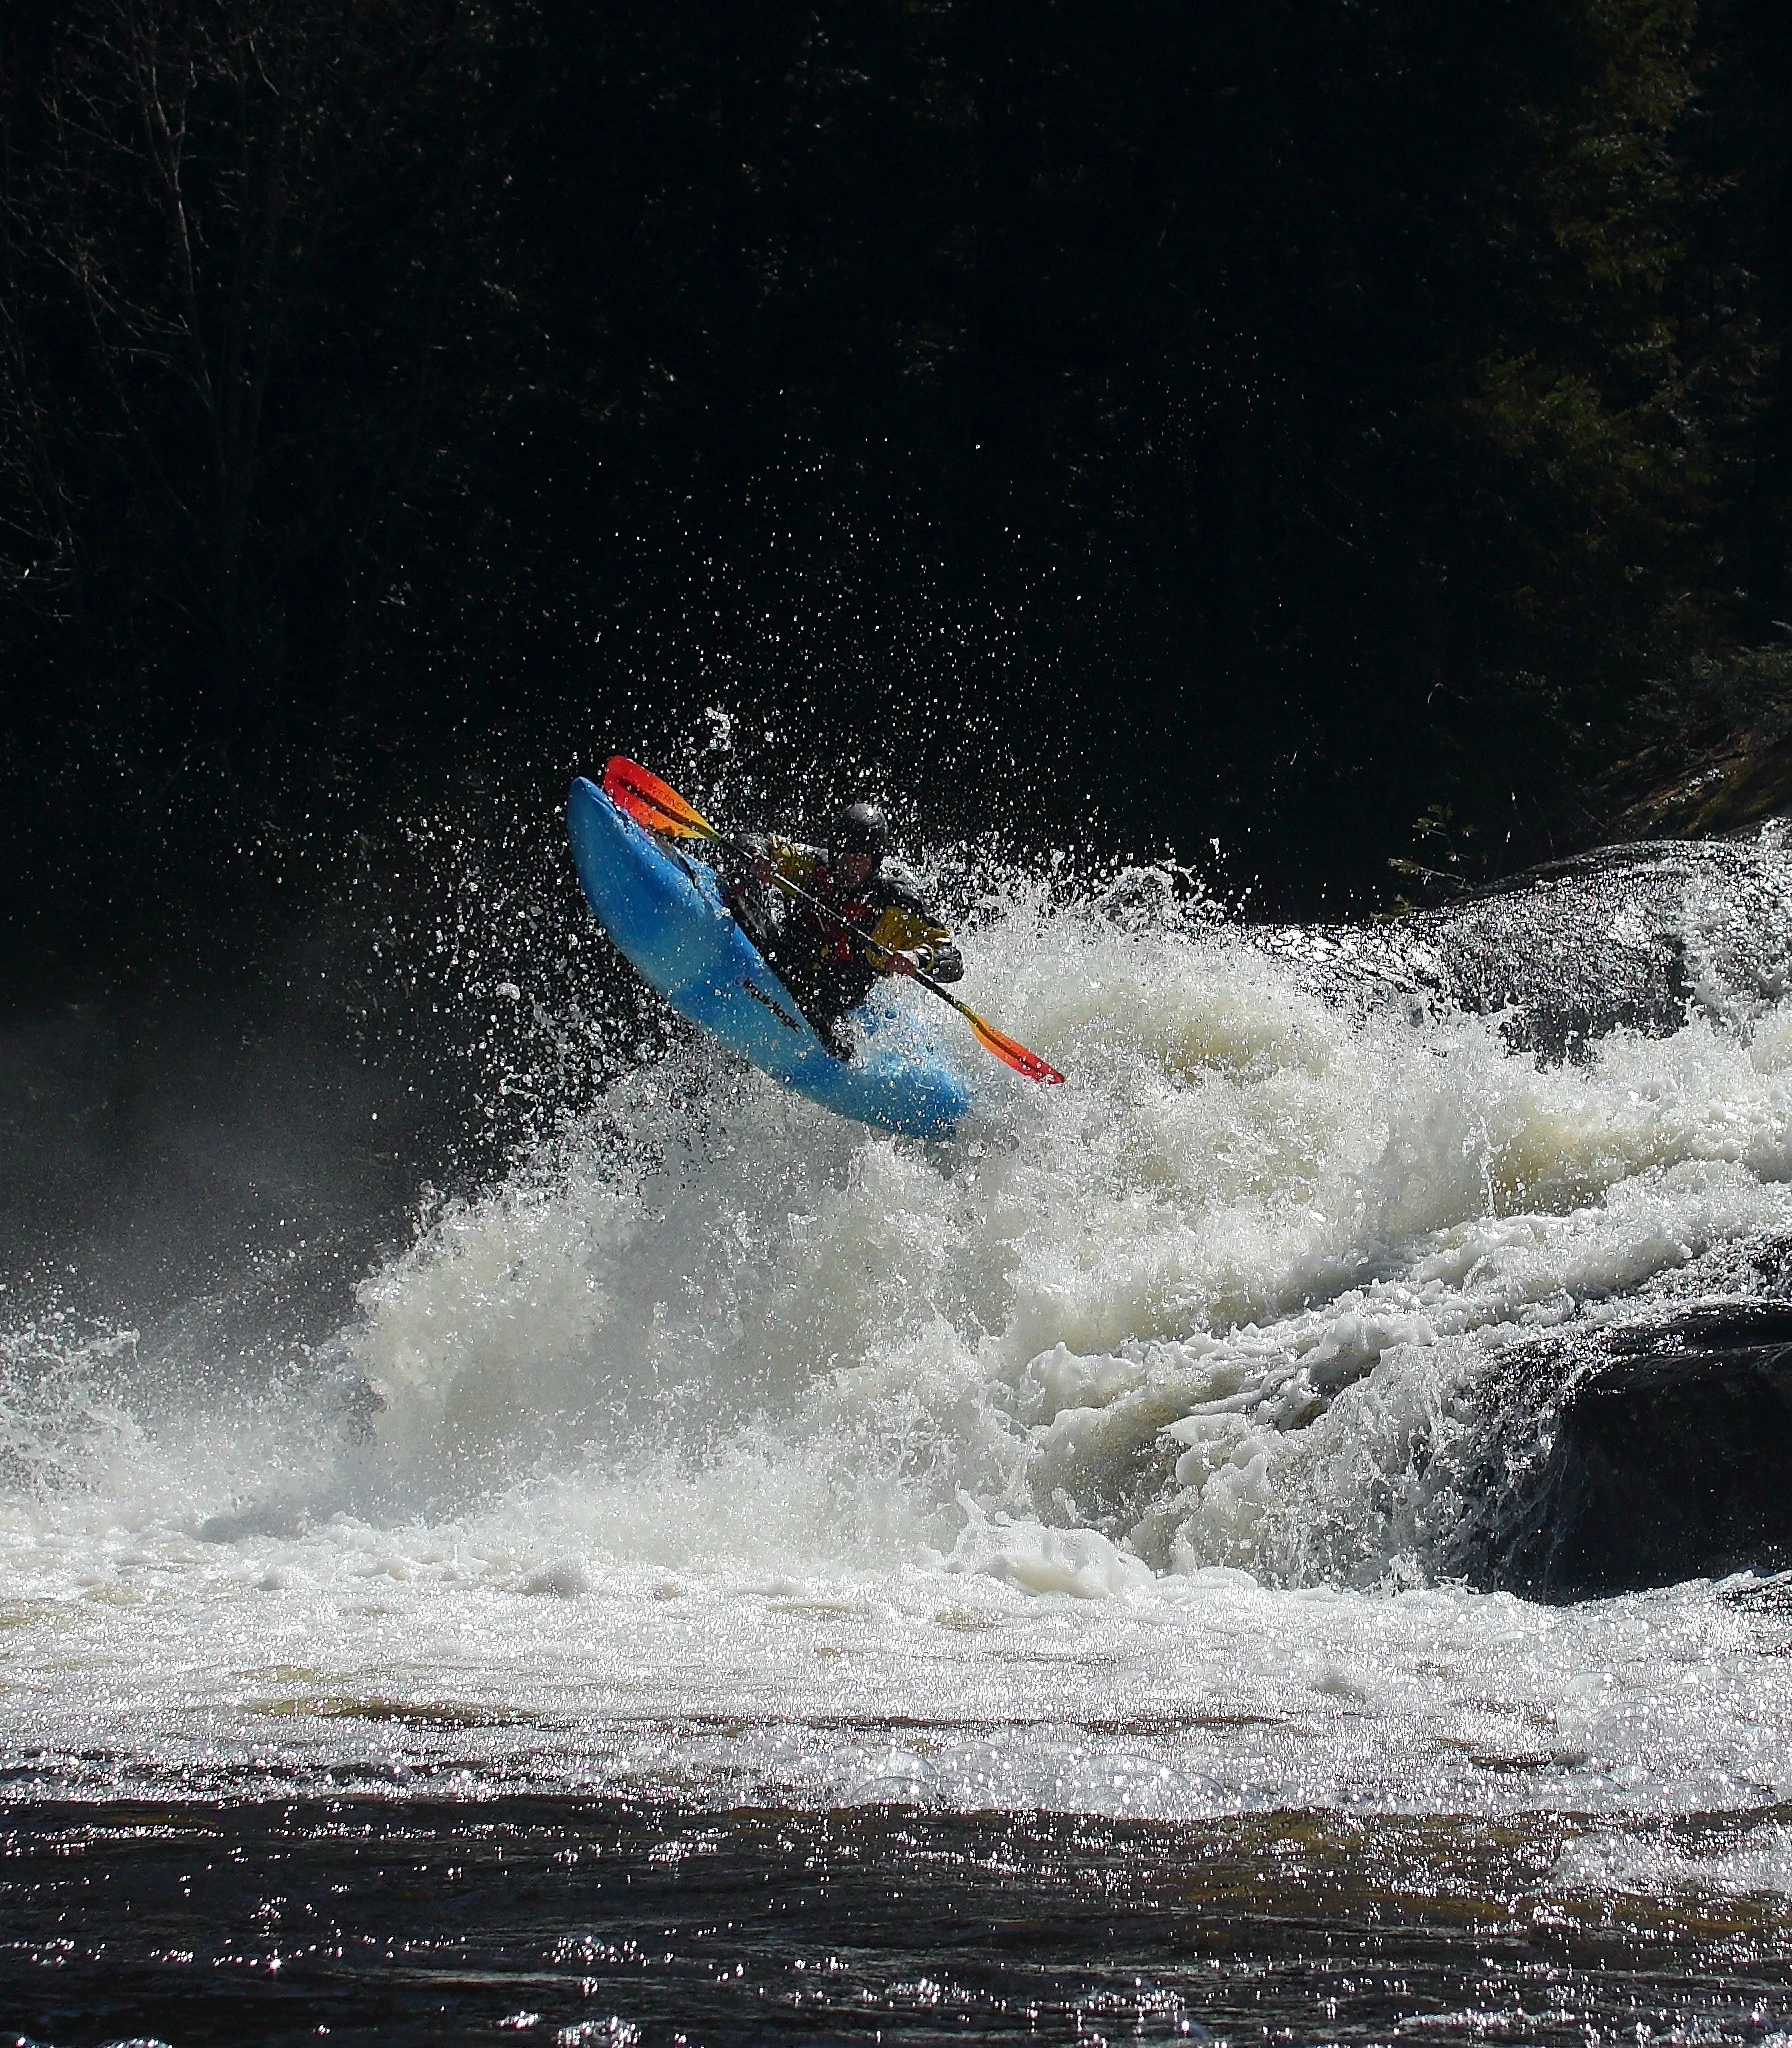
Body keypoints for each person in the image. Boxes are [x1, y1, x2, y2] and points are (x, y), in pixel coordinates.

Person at [724, 800, 964, 1058]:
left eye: (861, 858)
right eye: (845, 854)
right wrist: (757, 857)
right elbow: (751, 840)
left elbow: (952, 961)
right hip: (785, 962)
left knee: (841, 1046)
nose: (851, 866)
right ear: (835, 850)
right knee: (743, 884)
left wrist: (916, 957)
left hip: (831, 1002)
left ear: (875, 860)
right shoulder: (814, 865)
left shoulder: (893, 906)